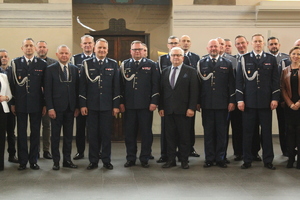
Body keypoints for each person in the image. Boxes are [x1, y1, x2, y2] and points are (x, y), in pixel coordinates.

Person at [236, 33, 280, 170]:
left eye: (260, 41)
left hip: (266, 103)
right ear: (251, 43)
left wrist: (274, 98)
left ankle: (268, 160)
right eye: (255, 41)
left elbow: (275, 81)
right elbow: (239, 81)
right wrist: (240, 100)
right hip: (248, 103)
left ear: (264, 44)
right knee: (248, 133)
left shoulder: (271, 59)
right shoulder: (244, 59)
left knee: (266, 133)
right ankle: (247, 159)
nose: (258, 43)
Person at [80, 38, 120, 170]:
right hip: (91, 106)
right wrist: (83, 104)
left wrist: (115, 105)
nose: (102, 50)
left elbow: (116, 87)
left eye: (104, 48)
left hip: (107, 106)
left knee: (106, 134)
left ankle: (106, 160)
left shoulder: (113, 64)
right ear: (94, 49)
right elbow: (82, 86)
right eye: (99, 48)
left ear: (107, 50)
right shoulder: (86, 64)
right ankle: (93, 160)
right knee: (92, 135)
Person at [9, 38, 48, 170]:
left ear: (35, 48)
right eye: (26, 45)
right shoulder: (15, 63)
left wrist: (44, 104)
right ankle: (22, 161)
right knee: (21, 133)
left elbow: (45, 86)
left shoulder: (42, 64)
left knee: (35, 133)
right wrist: (13, 103)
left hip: (36, 104)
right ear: (22, 48)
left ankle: (33, 161)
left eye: (31, 45)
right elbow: (12, 86)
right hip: (20, 104)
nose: (29, 48)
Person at [120, 40, 159, 168]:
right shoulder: (125, 65)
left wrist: (154, 102)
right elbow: (120, 86)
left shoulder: (151, 65)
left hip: (145, 105)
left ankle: (145, 157)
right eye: (135, 49)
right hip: (129, 106)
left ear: (144, 51)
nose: (137, 51)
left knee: (146, 133)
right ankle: (131, 158)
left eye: (139, 49)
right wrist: (121, 102)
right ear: (130, 51)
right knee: (129, 133)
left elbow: (155, 85)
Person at [197, 39, 235, 168]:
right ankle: (209, 158)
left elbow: (231, 84)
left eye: (215, 46)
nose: (213, 48)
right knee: (208, 132)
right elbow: (198, 85)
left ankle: (220, 158)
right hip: (206, 103)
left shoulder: (227, 63)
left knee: (221, 132)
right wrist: (197, 102)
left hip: (222, 104)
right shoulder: (201, 63)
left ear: (220, 48)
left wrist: (231, 101)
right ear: (207, 49)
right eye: (211, 46)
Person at [159, 47, 198, 169]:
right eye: (173, 55)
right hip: (168, 110)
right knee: (169, 137)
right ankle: (171, 160)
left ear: (183, 57)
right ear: (170, 57)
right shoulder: (165, 71)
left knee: (184, 137)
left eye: (178, 55)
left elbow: (194, 91)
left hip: (184, 110)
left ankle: (184, 160)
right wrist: (161, 107)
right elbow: (162, 91)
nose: (176, 57)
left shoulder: (191, 71)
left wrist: (191, 108)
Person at [45, 45, 79, 170]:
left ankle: (67, 160)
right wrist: (50, 108)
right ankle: (56, 161)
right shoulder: (50, 69)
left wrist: (77, 107)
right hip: (56, 109)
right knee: (55, 136)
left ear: (70, 54)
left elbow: (77, 89)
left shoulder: (74, 69)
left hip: (70, 108)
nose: (64, 55)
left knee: (69, 136)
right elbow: (47, 91)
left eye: (66, 53)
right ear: (57, 54)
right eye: (61, 53)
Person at [231, 35, 262, 162]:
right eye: (238, 43)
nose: (241, 45)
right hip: (237, 98)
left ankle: (254, 152)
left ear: (247, 43)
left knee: (253, 127)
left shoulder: (253, 58)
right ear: (235, 45)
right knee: (237, 126)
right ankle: (238, 152)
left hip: (251, 100)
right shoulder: (230, 60)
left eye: (243, 43)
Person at [71, 35, 98, 160]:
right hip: (80, 100)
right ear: (81, 45)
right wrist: (77, 105)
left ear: (94, 45)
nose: (87, 45)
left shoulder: (98, 58)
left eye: (90, 43)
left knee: (95, 130)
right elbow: (73, 84)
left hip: (95, 101)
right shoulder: (74, 59)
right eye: (85, 43)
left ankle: (97, 152)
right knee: (80, 129)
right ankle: (80, 152)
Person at [267, 37, 290, 157]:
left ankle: (285, 150)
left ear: (279, 45)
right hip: (266, 96)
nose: (273, 46)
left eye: (275, 44)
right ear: (268, 46)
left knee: (283, 124)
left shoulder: (287, 59)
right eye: (271, 44)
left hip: (282, 97)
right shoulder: (264, 58)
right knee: (264, 126)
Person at [180, 35, 201, 158]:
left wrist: (196, 101)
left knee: (190, 126)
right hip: (178, 98)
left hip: (190, 98)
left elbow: (197, 81)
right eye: (184, 41)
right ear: (180, 43)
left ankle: (190, 148)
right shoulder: (175, 55)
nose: (186, 43)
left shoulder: (196, 58)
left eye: (188, 41)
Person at [36, 40, 57, 160]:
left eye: (44, 47)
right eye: (40, 47)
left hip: (48, 101)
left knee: (47, 126)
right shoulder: (33, 63)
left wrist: (47, 104)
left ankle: (46, 150)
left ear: (47, 49)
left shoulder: (53, 63)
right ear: (36, 49)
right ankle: (35, 150)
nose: (42, 49)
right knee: (35, 126)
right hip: (35, 100)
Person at [281, 46, 300, 169]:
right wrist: (290, 104)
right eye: (294, 53)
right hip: (289, 107)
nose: (296, 56)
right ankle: (291, 158)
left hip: (299, 106)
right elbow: (283, 89)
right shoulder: (285, 71)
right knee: (290, 132)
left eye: (298, 54)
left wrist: (299, 103)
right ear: (290, 55)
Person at [0, 49, 18, 163]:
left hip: (10, 106)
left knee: (11, 132)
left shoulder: (13, 71)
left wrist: (13, 104)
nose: (3, 58)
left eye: (5, 56)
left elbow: (15, 89)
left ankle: (12, 155)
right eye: (1, 56)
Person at [0, 59, 13, 171]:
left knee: (1, 137)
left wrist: (6, 98)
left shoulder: (3, 76)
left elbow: (9, 94)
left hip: (2, 109)